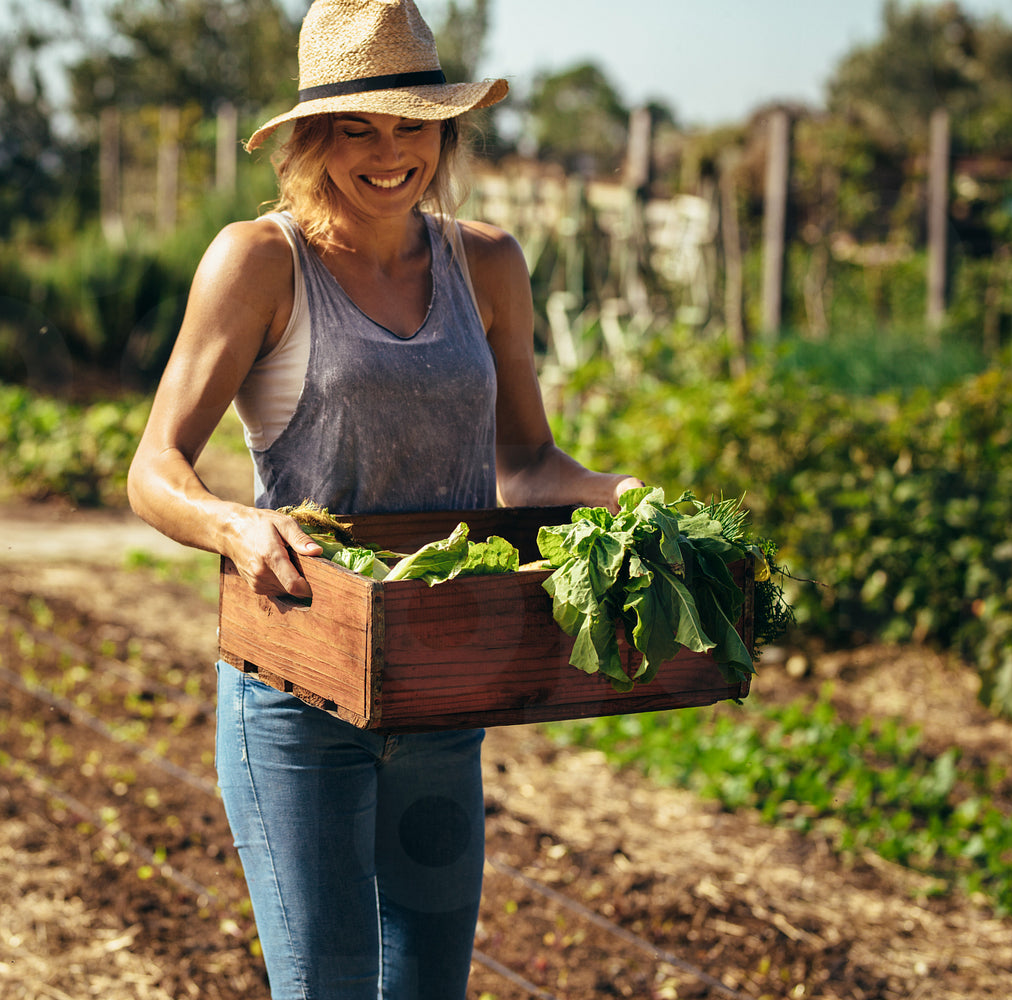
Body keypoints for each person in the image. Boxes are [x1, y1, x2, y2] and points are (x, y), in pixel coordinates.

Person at [127, 1, 641, 996]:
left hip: (442, 686)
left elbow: (527, 464)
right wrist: (235, 525)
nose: (390, 151)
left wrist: (624, 495)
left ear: (446, 131)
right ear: (311, 139)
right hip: (299, 691)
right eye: (357, 127)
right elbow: (154, 467)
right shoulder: (260, 261)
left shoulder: (487, 263)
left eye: (413, 123)